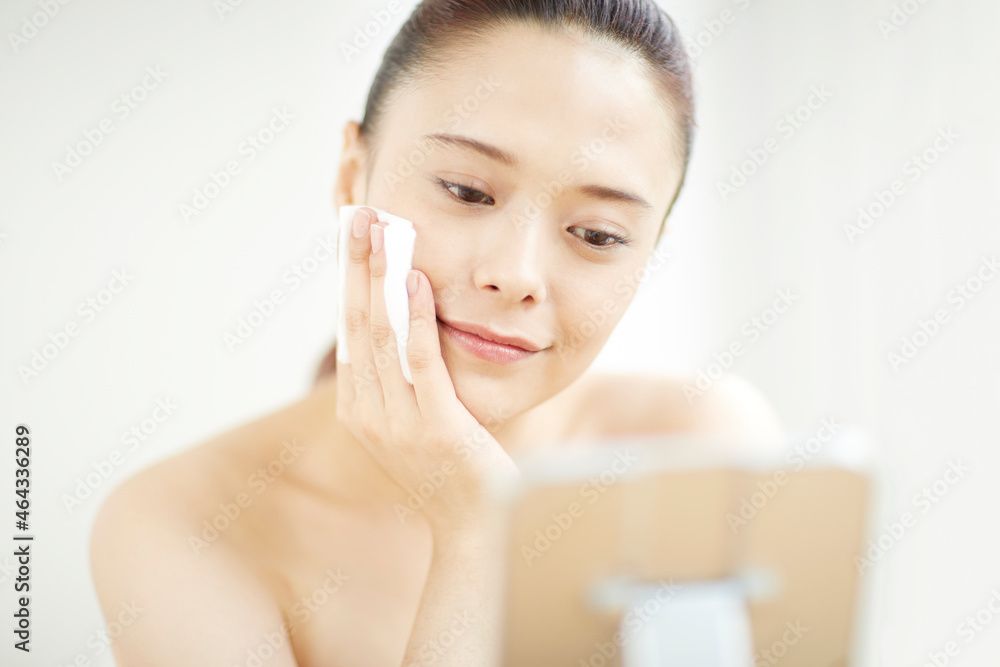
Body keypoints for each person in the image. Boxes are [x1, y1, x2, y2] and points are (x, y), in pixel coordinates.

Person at [90, 1, 785, 664]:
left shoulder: (700, 452)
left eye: (598, 234)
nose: (514, 274)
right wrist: (478, 528)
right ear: (352, 176)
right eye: (467, 191)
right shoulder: (184, 525)